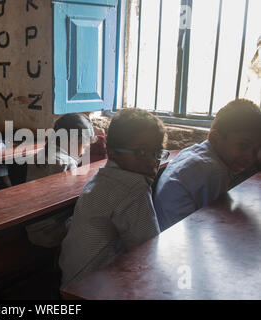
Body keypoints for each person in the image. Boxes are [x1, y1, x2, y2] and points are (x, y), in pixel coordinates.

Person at [59, 108, 166, 288]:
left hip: (71, 278)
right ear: (113, 152)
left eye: (157, 152)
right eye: (141, 152)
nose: (152, 161)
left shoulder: (104, 176)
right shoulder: (133, 187)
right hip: (94, 287)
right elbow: (149, 249)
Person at [154, 99, 261, 231]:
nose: (251, 157)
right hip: (175, 241)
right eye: (243, 146)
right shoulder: (213, 170)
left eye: (256, 150)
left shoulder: (194, 152)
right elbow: (219, 222)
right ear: (215, 139)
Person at [24, 113, 96, 249]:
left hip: (32, 227)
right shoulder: (66, 163)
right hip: (51, 231)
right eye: (85, 146)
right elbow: (76, 200)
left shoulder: (40, 155)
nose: (84, 152)